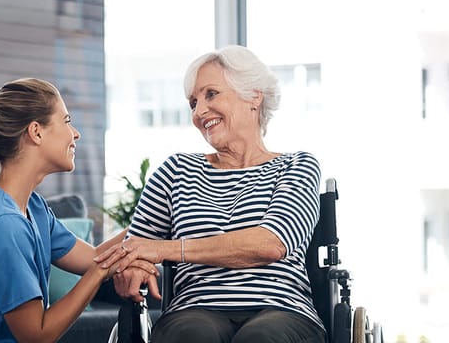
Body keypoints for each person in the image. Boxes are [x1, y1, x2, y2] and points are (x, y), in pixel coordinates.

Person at [95, 45, 326, 343]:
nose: (199, 111)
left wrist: (165, 249)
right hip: (195, 308)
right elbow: (136, 248)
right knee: (193, 334)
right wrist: (133, 268)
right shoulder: (176, 170)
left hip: (282, 308)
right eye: (193, 102)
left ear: (254, 96)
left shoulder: (296, 166)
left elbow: (271, 243)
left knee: (261, 338)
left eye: (211, 94)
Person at [0, 78, 148, 342]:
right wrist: (97, 274)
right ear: (36, 132)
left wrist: (151, 224)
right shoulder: (2, 225)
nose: (76, 133)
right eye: (67, 120)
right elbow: (36, 336)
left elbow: (94, 258)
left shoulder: (34, 207)